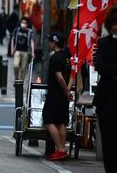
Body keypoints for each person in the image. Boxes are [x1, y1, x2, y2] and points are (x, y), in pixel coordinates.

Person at [42, 32, 73, 161]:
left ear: (54, 43)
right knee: (61, 122)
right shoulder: (67, 56)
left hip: (55, 93)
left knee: (48, 120)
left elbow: (59, 78)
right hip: (63, 95)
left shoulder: (55, 58)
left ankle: (60, 149)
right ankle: (63, 150)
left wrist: (66, 91)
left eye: (50, 41)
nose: (49, 43)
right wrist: (68, 90)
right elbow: (72, 74)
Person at [93, 7, 117, 173]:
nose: (116, 27)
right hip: (106, 98)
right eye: (114, 24)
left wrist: (111, 70)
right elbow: (99, 66)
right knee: (108, 140)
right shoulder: (103, 42)